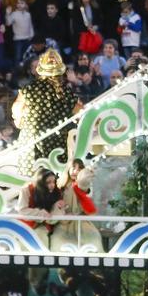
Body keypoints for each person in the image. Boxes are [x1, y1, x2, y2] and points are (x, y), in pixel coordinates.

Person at [11, 49, 80, 177]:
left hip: (31, 141)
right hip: (57, 142)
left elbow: (16, 109)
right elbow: (81, 111)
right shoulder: (66, 92)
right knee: (55, 178)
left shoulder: (29, 89)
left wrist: (20, 122)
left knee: (32, 180)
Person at [51, 159, 103, 252]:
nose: (75, 171)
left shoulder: (82, 186)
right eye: (73, 167)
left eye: (79, 169)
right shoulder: (59, 187)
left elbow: (84, 187)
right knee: (57, 240)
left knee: (94, 239)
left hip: (81, 221)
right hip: (63, 221)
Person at [17, 168, 64, 247]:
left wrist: (57, 207)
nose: (52, 185)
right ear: (40, 182)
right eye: (48, 182)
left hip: (48, 226)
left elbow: (53, 217)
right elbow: (22, 210)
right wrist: (40, 213)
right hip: (28, 224)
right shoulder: (26, 190)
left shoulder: (56, 191)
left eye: (53, 182)